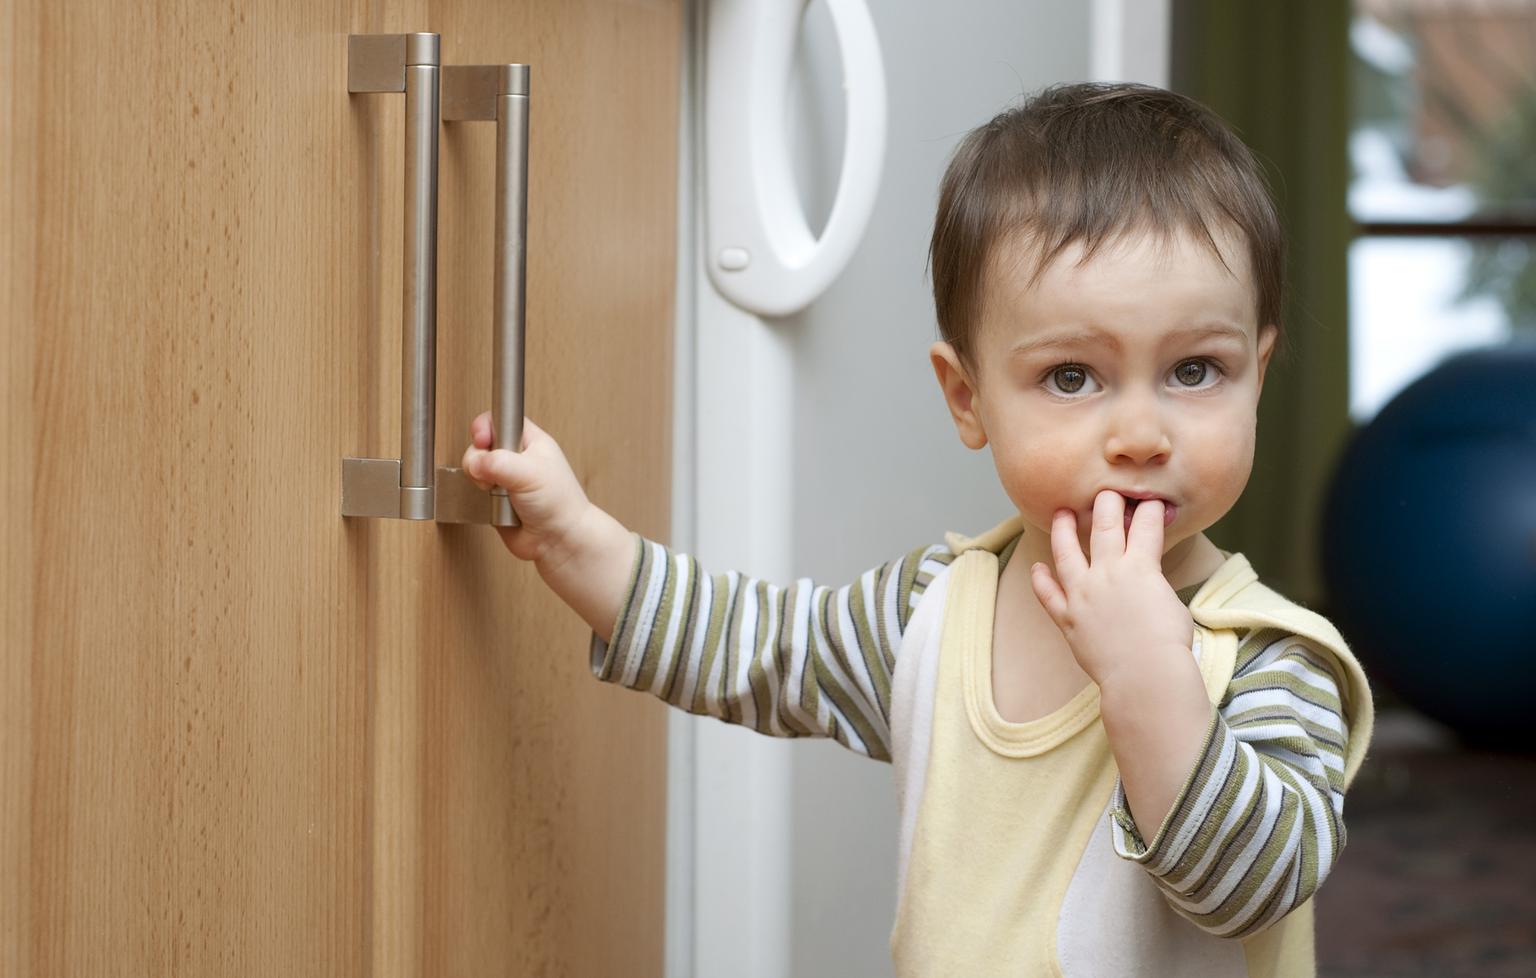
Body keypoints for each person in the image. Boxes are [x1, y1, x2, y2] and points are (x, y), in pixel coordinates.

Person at [459, 81, 1374, 978]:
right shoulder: (935, 611)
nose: (1140, 435)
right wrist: (576, 540)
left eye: (1194, 371)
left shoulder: (1270, 660)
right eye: (1071, 377)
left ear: (1257, 372)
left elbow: (1254, 887)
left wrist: (1147, 674)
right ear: (967, 397)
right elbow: (761, 648)